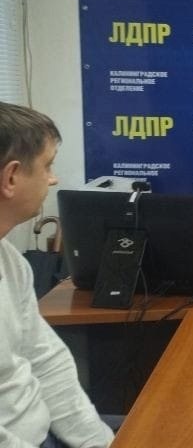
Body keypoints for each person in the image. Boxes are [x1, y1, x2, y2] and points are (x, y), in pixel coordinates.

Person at [0, 102, 114, 447]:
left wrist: (99, 442)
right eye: (47, 165)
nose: (53, 179)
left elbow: (45, 360)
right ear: (11, 178)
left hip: (44, 428)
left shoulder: (9, 258)